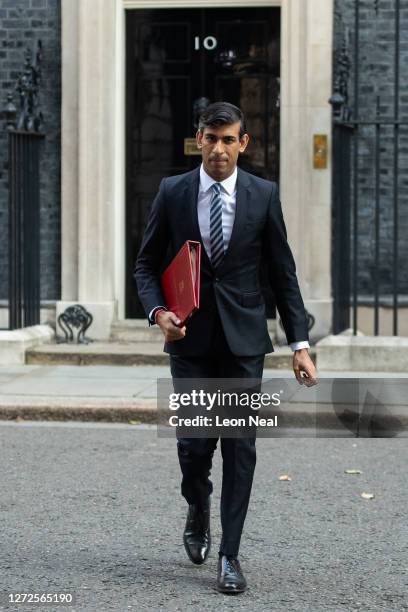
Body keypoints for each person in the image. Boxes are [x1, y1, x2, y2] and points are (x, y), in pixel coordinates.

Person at [134, 101, 317, 595]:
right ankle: (197, 503)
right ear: (199, 140)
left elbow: (283, 273)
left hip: (242, 342)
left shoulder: (262, 195)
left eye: (228, 140)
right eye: (210, 140)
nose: (218, 149)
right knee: (194, 448)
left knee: (239, 448)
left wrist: (299, 343)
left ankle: (230, 555)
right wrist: (158, 314)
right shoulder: (174, 192)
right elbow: (146, 266)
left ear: (243, 143)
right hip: (189, 340)